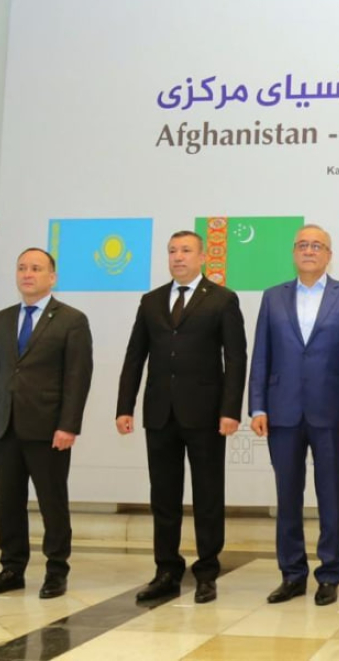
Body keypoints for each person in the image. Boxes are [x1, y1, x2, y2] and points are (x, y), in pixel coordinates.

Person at [116, 230, 247, 604]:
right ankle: (166, 570)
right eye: (173, 250)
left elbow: (235, 358)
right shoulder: (151, 300)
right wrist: (125, 406)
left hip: (206, 414)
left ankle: (207, 572)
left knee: (208, 495)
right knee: (163, 496)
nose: (178, 256)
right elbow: (135, 356)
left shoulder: (222, 299)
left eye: (186, 250)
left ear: (202, 257)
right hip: (160, 413)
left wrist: (230, 410)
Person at [248, 225, 339, 606]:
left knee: (332, 496)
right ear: (293, 252)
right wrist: (258, 405)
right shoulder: (273, 297)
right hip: (282, 412)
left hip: (332, 413)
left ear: (329, 255)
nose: (309, 251)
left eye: (317, 245)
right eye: (303, 245)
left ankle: (330, 574)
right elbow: (261, 355)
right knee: (287, 497)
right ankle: (292, 574)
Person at [0, 248, 93, 600]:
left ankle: (56, 571)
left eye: (36, 268)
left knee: (52, 502)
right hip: (5, 424)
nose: (27, 274)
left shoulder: (71, 320)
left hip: (49, 429)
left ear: (52, 277)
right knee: (8, 502)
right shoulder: (2, 319)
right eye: (22, 268)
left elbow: (77, 378)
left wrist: (68, 425)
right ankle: (12, 568)